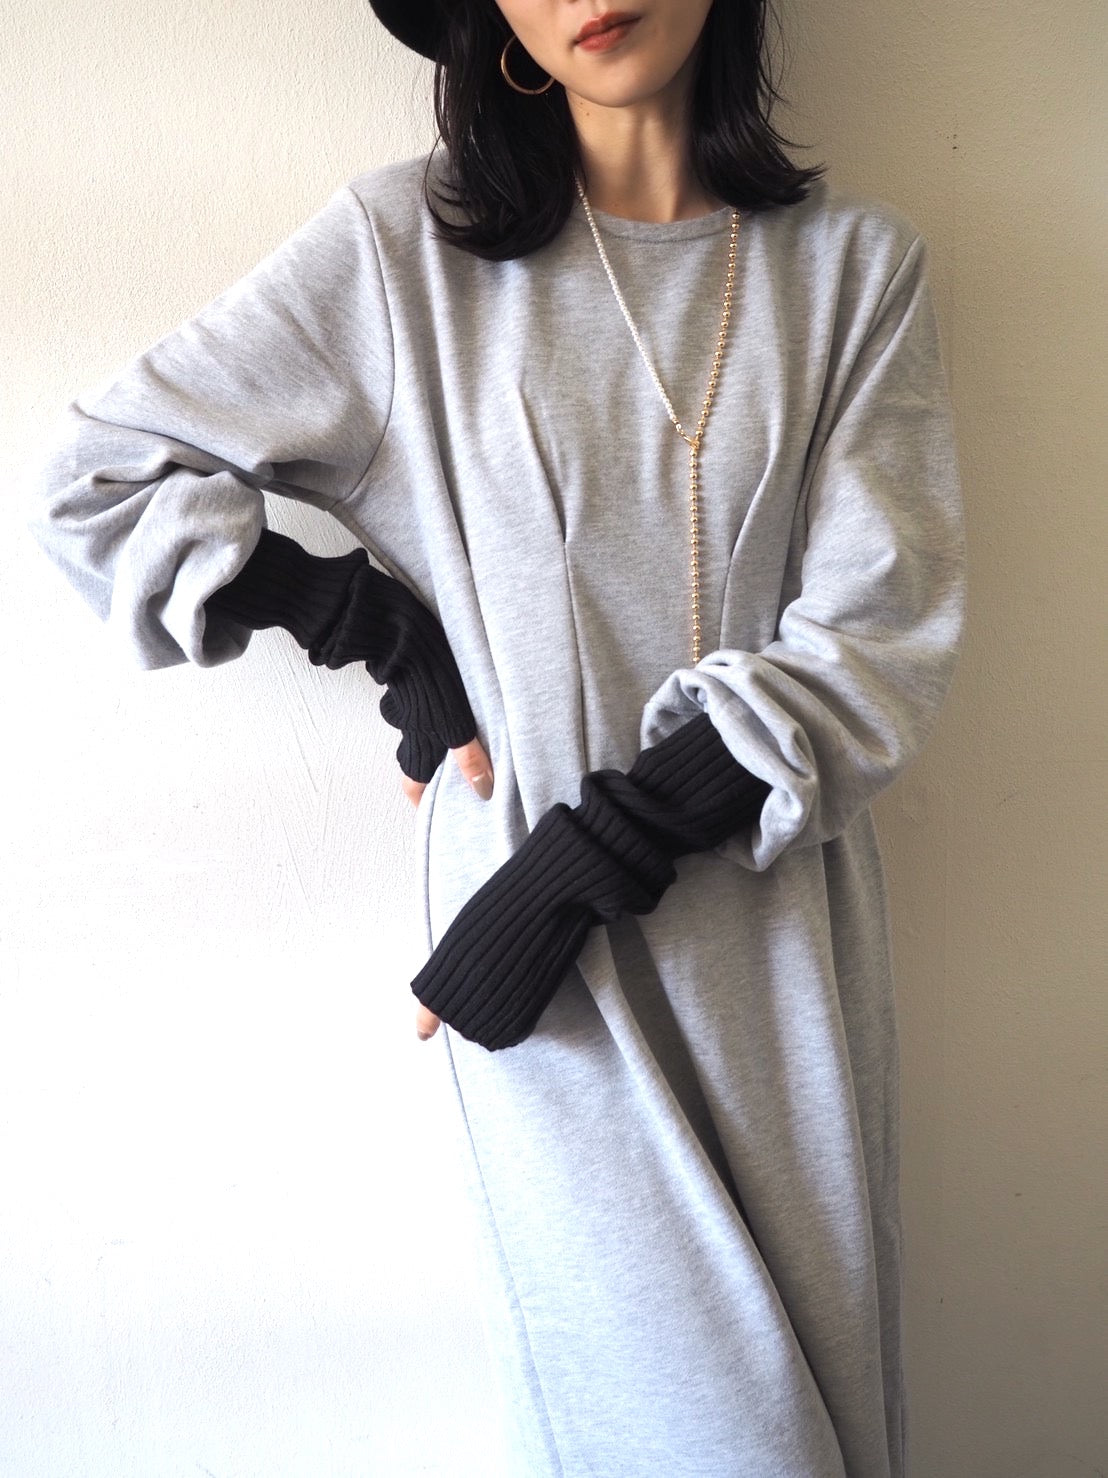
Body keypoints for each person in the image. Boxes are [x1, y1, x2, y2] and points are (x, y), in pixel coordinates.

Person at [27, 0, 966, 1472]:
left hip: (776, 941)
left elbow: (878, 635)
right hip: (543, 969)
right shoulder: (404, 255)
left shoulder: (854, 270)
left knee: (819, 1421)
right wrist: (366, 623)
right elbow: (99, 480)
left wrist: (601, 849)